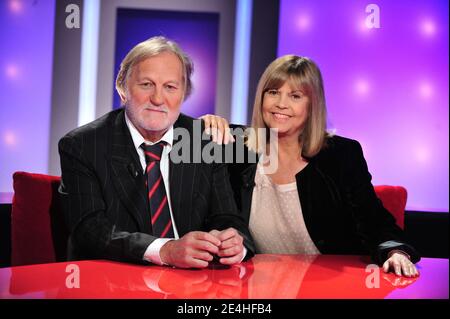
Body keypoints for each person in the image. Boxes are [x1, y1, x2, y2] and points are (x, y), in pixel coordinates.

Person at [58, 36, 255, 268]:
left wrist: (234, 243)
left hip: (192, 286)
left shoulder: (203, 140)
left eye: (170, 87)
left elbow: (227, 217)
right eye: (146, 84)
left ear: (183, 95)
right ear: (122, 88)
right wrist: (166, 250)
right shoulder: (82, 145)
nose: (158, 99)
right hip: (117, 280)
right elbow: (89, 230)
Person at [216, 55, 420, 277]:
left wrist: (396, 251)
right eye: (273, 92)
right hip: (258, 284)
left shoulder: (340, 155)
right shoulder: (238, 147)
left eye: (295, 96)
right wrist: (207, 123)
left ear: (312, 104)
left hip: (329, 282)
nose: (281, 104)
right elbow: (182, 139)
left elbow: (374, 221)